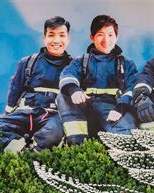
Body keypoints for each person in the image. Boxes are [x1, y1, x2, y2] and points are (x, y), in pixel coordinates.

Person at [57, 15, 138, 145]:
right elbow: (67, 75)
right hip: (85, 107)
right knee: (63, 96)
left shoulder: (126, 64)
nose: (106, 39)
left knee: (127, 140)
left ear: (116, 37)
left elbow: (132, 88)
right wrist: (74, 90)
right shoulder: (81, 61)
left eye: (110, 35)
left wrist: (121, 108)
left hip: (113, 108)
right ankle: (77, 144)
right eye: (100, 34)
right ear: (92, 37)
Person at [0, 16, 72, 153]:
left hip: (54, 115)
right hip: (25, 112)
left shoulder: (75, 68)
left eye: (61, 35)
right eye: (51, 35)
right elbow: (14, 90)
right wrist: (8, 116)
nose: (56, 40)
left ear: (68, 39)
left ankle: (31, 152)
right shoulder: (27, 62)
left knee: (54, 133)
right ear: (44, 38)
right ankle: (17, 147)